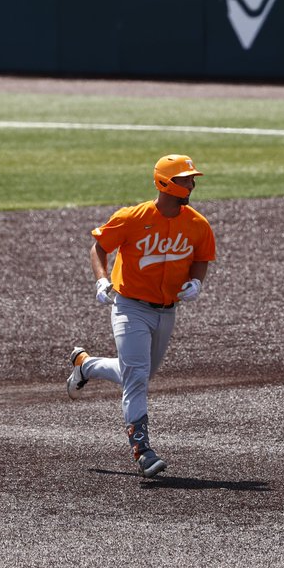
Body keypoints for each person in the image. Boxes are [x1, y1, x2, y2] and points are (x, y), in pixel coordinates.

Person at [67, 154, 218, 479]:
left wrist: (196, 282)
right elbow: (99, 247)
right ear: (166, 182)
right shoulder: (132, 217)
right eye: (185, 179)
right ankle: (142, 450)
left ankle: (85, 365)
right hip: (129, 308)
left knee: (137, 374)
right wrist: (101, 279)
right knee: (137, 379)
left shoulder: (197, 224)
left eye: (192, 179)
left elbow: (202, 257)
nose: (192, 184)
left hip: (166, 312)